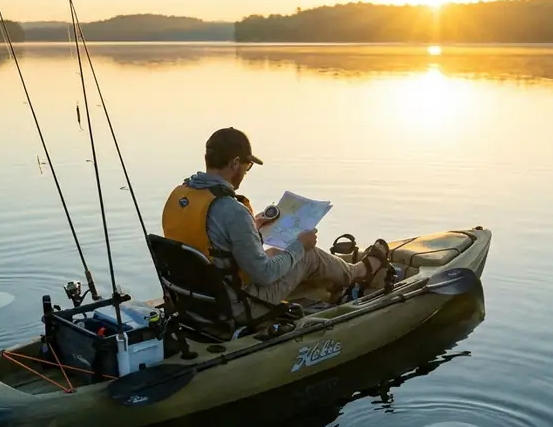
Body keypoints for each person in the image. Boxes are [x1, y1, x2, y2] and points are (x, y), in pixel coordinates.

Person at [160, 127, 388, 323]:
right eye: (247, 166)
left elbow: (209, 242)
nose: (245, 172)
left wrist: (254, 226)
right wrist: (300, 246)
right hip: (238, 307)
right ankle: (360, 272)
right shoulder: (232, 210)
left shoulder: (180, 197)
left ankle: (334, 279)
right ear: (235, 163)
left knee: (274, 252)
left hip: (195, 299)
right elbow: (265, 276)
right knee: (307, 254)